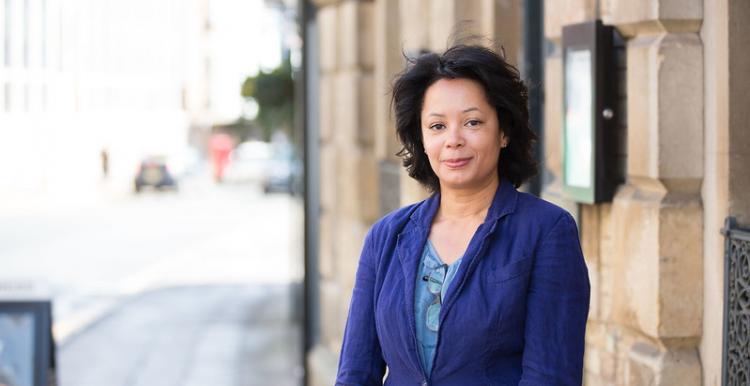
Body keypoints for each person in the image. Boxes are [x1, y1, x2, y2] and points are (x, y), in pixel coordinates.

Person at [335, 44, 590, 386]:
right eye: (437, 126)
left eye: (472, 122)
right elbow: (355, 372)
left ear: (503, 132)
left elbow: (550, 376)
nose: (453, 140)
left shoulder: (546, 231)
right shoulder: (386, 237)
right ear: (421, 139)